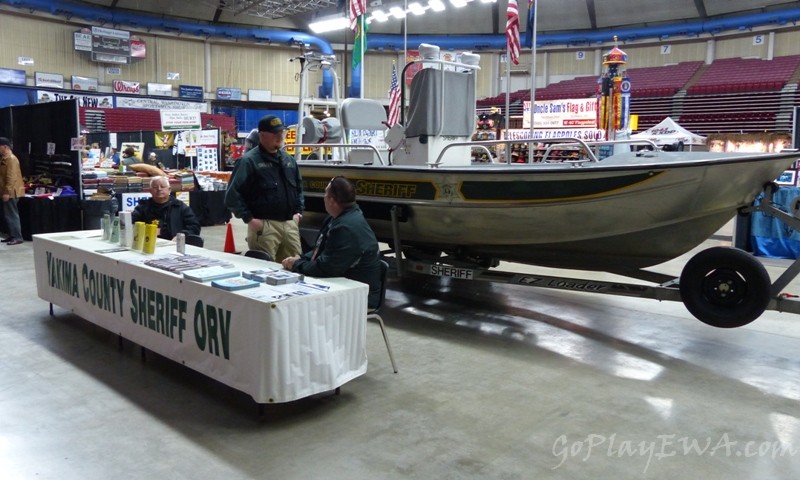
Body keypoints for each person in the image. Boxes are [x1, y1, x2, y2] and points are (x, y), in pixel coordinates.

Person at [282, 176, 382, 309]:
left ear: (332, 201)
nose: (323, 197)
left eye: (325, 193)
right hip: (344, 284)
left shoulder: (346, 228)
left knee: (295, 303)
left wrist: (297, 265)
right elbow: (321, 249)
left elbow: (326, 269)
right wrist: (301, 258)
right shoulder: (337, 218)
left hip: (359, 295)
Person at [225, 115, 304, 262]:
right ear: (262, 135)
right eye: (275, 133)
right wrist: (249, 219)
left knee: (294, 269)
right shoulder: (249, 162)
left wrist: (298, 213)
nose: (280, 136)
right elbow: (232, 196)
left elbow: (299, 189)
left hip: (290, 225)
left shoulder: (289, 161)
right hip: (264, 228)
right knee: (264, 272)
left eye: (281, 132)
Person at [131, 176, 201, 241]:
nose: (159, 189)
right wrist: (147, 230)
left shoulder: (180, 207)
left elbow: (194, 227)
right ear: (150, 191)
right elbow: (131, 223)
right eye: (155, 187)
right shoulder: (143, 207)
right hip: (148, 243)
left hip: (174, 244)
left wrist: (181, 236)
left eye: (163, 186)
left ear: (169, 189)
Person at [0, 137, 24, 245]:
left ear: (5, 147)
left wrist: (7, 192)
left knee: (12, 215)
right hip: (7, 191)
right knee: (8, 215)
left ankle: (17, 237)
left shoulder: (11, 159)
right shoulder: (4, 158)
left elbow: (11, 177)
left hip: (12, 192)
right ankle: (12, 235)